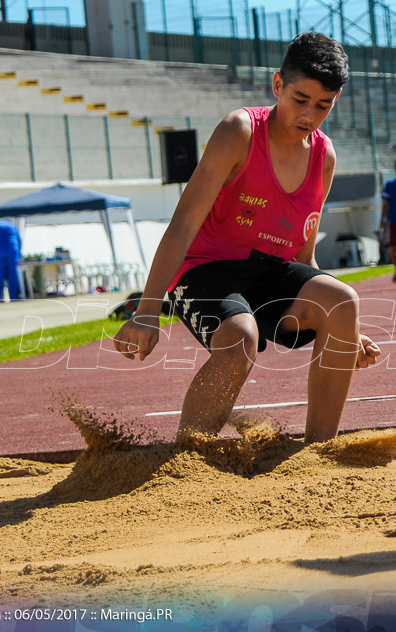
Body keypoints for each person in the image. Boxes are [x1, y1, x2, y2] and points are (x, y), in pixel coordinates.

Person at [112, 32, 380, 444]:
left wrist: (346, 330)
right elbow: (183, 223)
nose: (309, 115)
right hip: (205, 270)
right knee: (242, 338)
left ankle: (318, 451)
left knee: (344, 302)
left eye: (323, 105)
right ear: (277, 85)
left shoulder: (324, 156)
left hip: (268, 272)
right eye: (300, 99)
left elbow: (304, 253)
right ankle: (186, 460)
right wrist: (148, 311)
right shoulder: (240, 130)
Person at [0, 218, 23, 302]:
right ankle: (14, 298)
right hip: (12, 250)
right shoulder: (13, 226)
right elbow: (19, 241)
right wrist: (19, 256)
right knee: (12, 275)